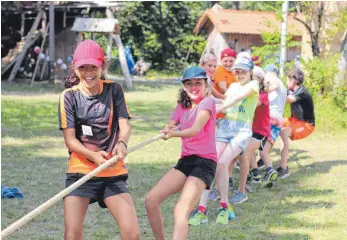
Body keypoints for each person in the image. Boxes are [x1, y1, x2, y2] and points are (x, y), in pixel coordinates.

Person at [58, 39, 140, 240]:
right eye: (83, 67)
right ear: (75, 69)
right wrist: (93, 156)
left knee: (132, 233)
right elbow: (70, 140)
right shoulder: (68, 97)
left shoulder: (114, 90)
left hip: (112, 170)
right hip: (81, 171)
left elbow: (125, 126)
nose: (88, 72)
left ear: (102, 66)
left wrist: (122, 143)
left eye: (93, 67)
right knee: (72, 233)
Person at [145, 66, 217, 240]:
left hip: (205, 162)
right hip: (186, 161)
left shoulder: (208, 102)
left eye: (198, 83)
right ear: (184, 87)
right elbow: (171, 122)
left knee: (181, 210)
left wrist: (173, 134)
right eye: (189, 83)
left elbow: (195, 130)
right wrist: (167, 128)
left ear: (205, 84)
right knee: (151, 200)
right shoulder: (182, 106)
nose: (194, 87)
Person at [229, 66, 270, 204]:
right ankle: (225, 185)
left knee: (244, 154)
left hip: (260, 132)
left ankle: (242, 191)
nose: (254, 81)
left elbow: (249, 105)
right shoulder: (245, 90)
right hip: (247, 130)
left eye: (256, 79)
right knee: (233, 155)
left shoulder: (261, 95)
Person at [279, 68, 315, 178]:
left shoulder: (302, 91)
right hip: (294, 120)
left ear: (293, 80)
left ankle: (284, 168)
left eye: (287, 80)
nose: (286, 82)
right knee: (272, 125)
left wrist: (277, 92)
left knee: (283, 133)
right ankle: (264, 159)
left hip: (306, 125)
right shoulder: (290, 89)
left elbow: (289, 99)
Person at [258, 64, 287, 187]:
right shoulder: (284, 87)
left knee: (257, 147)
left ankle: (266, 171)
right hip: (278, 119)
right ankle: (268, 173)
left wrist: (262, 91)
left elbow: (273, 84)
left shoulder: (273, 79)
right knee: (264, 150)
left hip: (270, 117)